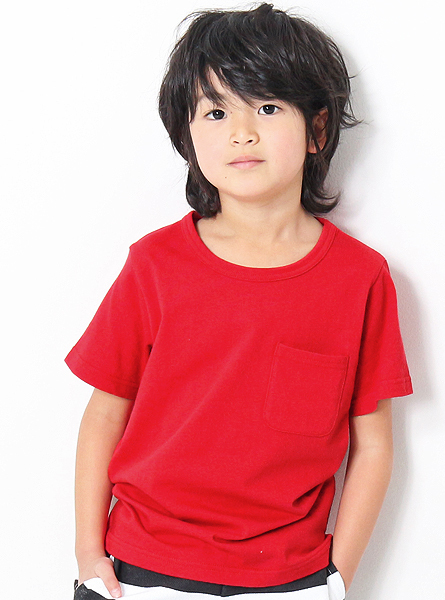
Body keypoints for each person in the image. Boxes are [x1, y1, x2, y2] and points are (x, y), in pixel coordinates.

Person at [66, 3, 413, 599]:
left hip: (288, 576)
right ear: (188, 136)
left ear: (318, 130)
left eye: (268, 107)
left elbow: (374, 442)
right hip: (138, 569)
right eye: (216, 111)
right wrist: (87, 551)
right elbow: (105, 413)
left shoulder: (361, 278)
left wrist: (337, 578)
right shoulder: (155, 265)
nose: (241, 131)